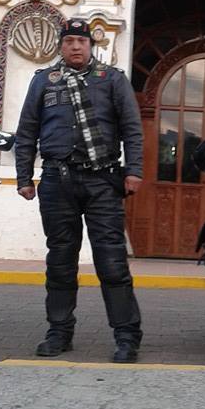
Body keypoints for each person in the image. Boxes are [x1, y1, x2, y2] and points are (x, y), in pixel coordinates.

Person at [15, 18, 143, 362]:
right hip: (57, 181)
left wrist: (134, 171)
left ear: (91, 46)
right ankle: (59, 332)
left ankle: (127, 337)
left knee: (112, 262)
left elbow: (132, 128)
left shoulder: (112, 80)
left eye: (81, 41)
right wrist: (24, 178)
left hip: (103, 180)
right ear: (61, 45)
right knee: (60, 260)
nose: (75, 46)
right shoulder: (44, 81)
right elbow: (27, 131)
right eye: (69, 40)